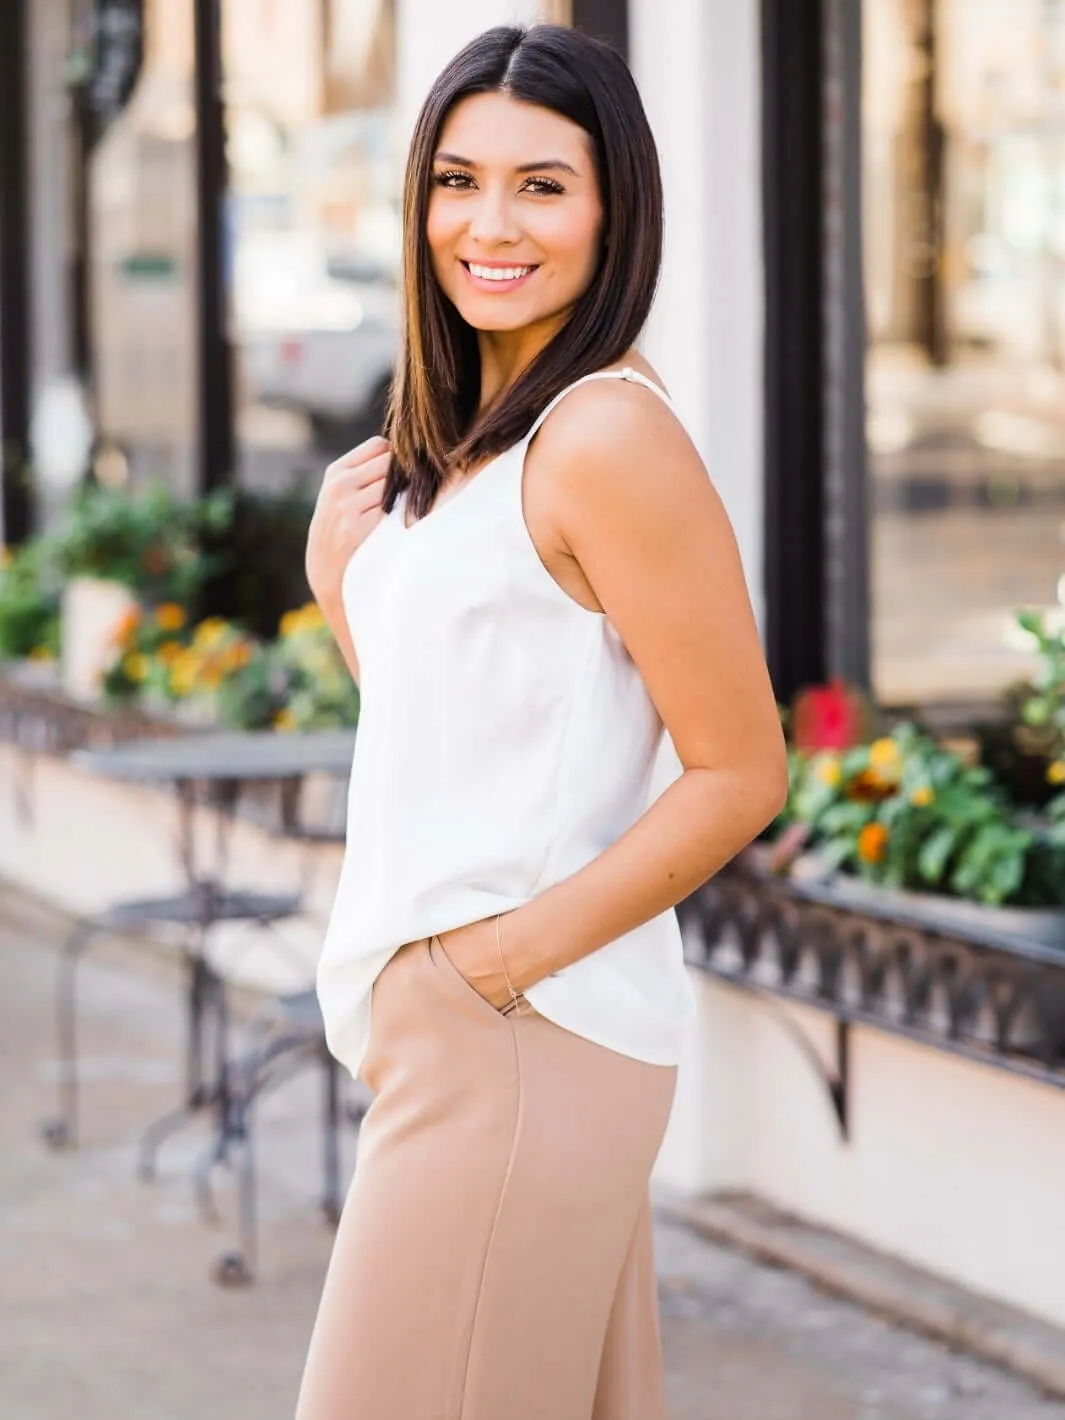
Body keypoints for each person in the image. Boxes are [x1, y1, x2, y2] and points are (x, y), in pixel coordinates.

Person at [297, 22, 787, 1420]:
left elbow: (741, 767)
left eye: (541, 185)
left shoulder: (605, 435)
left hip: (519, 1028)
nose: (488, 224)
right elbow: (471, 740)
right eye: (456, 181)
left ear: (613, 207)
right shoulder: (478, 444)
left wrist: (494, 968)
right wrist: (346, 591)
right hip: (471, 1030)